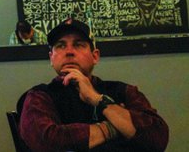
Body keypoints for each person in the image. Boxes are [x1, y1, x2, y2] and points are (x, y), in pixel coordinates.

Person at [18, 19, 169, 152]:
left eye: (78, 45)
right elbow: (45, 142)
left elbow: (157, 138)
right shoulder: (39, 96)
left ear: (95, 56)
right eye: (60, 45)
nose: (69, 52)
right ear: (51, 58)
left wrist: (97, 99)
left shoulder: (123, 91)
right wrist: (112, 127)